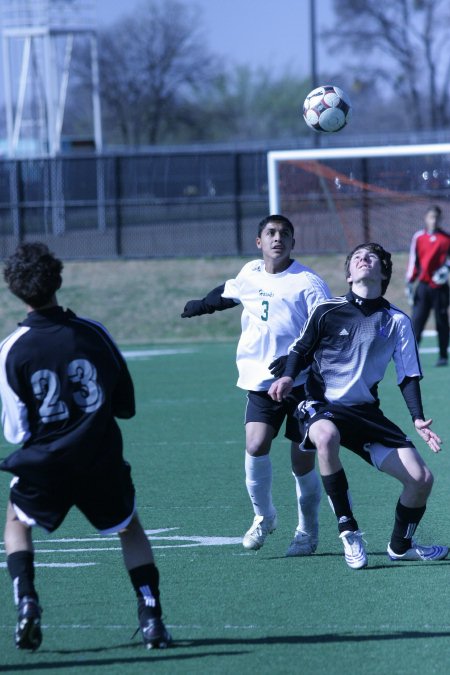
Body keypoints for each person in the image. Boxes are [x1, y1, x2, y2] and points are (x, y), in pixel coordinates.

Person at [0, 242, 171, 651]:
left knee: (16, 522)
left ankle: (27, 602)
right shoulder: (94, 333)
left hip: (47, 463)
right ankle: (151, 617)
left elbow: (15, 429)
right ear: (58, 279)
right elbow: (125, 404)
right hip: (99, 458)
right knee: (129, 527)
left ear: (14, 289)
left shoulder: (11, 349)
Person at [268, 242, 448, 569]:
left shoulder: (397, 321)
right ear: (349, 275)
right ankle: (348, 530)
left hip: (365, 412)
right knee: (324, 437)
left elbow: (408, 375)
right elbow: (300, 350)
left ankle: (400, 545)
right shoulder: (326, 310)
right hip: (320, 403)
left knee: (421, 480)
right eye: (357, 258)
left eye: (372, 257)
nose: (364, 260)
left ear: (384, 272)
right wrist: (286, 377)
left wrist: (418, 418)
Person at [181, 214, 331, 555]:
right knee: (256, 443)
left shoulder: (308, 283)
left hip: (303, 384)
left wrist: (297, 364)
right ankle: (264, 516)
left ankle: (307, 531)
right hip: (261, 381)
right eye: (271, 233)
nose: (278, 238)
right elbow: (228, 292)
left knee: (302, 461)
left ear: (293, 242)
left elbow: (326, 331)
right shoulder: (250, 272)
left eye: (285, 234)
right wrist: (200, 306)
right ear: (259, 242)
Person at [406, 205, 450, 366]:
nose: (434, 220)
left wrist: (446, 269)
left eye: (437, 217)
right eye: (431, 217)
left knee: (442, 322)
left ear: (440, 219)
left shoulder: (446, 238)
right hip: (423, 287)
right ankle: (411, 356)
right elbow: (414, 261)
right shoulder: (418, 237)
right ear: (426, 218)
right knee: (417, 321)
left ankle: (443, 356)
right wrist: (410, 282)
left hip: (440, 288)